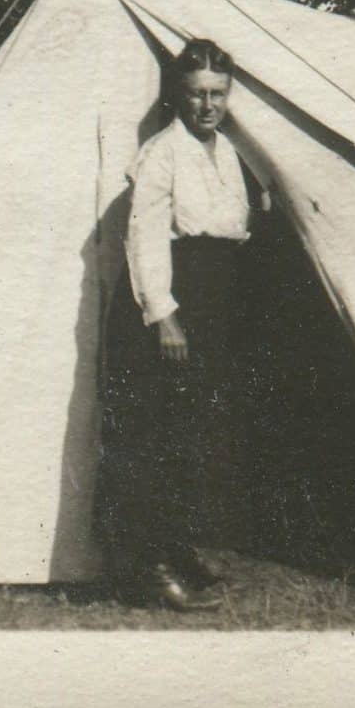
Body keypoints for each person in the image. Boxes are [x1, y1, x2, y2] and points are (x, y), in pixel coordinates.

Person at [97, 39, 264, 612]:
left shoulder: (229, 152)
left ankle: (175, 545)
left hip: (213, 294)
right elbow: (144, 234)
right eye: (196, 95)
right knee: (150, 434)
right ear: (178, 94)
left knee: (189, 435)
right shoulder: (161, 153)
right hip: (168, 300)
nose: (208, 106)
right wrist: (163, 315)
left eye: (218, 94)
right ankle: (145, 569)